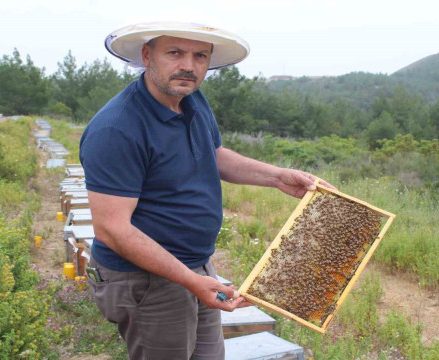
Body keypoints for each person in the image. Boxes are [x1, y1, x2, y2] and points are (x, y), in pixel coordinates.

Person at [79, 22, 334, 360]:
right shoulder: (116, 129)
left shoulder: (191, 98)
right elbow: (112, 229)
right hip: (145, 279)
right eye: (175, 53)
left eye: (200, 56)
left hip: (195, 266)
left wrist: (277, 176)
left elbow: (213, 154)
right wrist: (190, 280)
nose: (188, 65)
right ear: (147, 55)